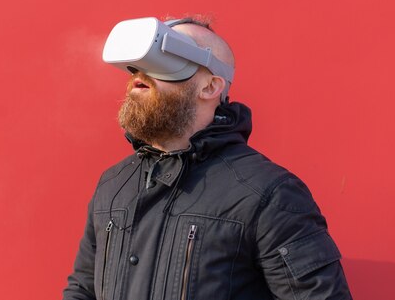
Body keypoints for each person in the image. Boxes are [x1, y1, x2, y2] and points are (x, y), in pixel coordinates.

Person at [63, 17, 352, 300]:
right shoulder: (114, 184)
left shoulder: (267, 194)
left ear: (211, 87)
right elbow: (83, 289)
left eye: (163, 60)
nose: (139, 76)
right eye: (136, 69)